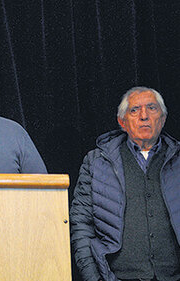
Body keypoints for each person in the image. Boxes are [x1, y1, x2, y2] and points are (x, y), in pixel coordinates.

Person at [70, 86, 180, 281]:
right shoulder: (96, 162)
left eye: (152, 108)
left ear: (162, 120)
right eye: (135, 110)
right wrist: (93, 277)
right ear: (122, 122)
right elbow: (81, 225)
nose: (144, 116)